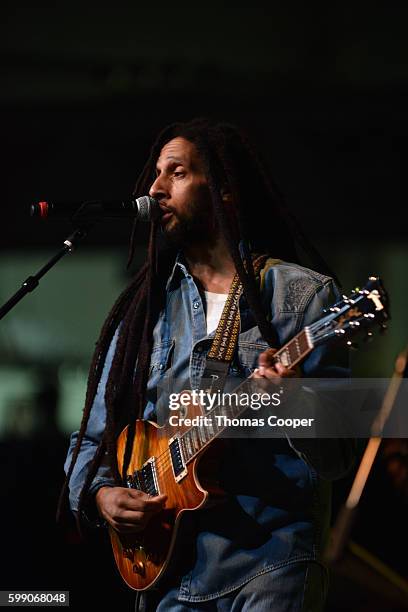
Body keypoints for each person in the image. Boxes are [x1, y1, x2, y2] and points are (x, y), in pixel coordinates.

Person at [59, 118, 355, 611]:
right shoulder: (145, 312)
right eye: (156, 173)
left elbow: (339, 456)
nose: (155, 188)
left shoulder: (300, 296)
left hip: (270, 565)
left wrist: (295, 399)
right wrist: (102, 498)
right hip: (169, 576)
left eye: (176, 172)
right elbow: (91, 442)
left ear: (223, 191)